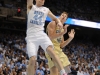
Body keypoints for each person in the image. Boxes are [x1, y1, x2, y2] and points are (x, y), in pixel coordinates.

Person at [27, 0, 67, 75]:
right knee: (32, 60)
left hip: (41, 34)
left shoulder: (46, 9)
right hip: (31, 36)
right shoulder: (31, 7)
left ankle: (63, 72)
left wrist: (58, 22)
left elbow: (55, 18)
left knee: (51, 51)